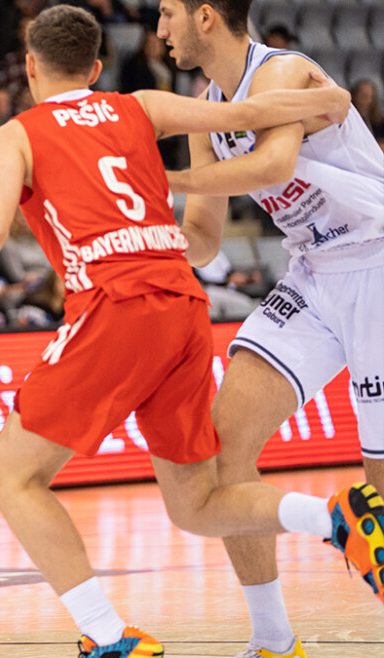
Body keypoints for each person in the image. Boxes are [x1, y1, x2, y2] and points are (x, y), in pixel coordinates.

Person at [0, 6, 380, 658]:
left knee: (11, 476)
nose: (160, 24)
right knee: (201, 492)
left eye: (169, 12)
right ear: (97, 69)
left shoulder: (20, 130)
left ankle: (108, 636)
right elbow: (217, 192)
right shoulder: (141, 104)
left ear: (29, 66)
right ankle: (323, 541)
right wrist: (337, 97)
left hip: (166, 296)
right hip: (198, 297)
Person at [159, 1, 384, 655]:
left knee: (379, 489)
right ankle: (273, 641)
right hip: (312, 275)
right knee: (223, 459)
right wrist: (137, 230)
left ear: (206, 17)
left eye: (169, 12)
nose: (159, 30)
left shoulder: (281, 72)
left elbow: (273, 166)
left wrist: (161, 174)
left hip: (375, 262)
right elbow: (202, 237)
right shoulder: (207, 108)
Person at [351, 79, 384, 146]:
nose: (367, 100)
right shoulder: (349, 120)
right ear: (354, 96)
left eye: (371, 97)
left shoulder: (380, 121)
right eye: (364, 95)